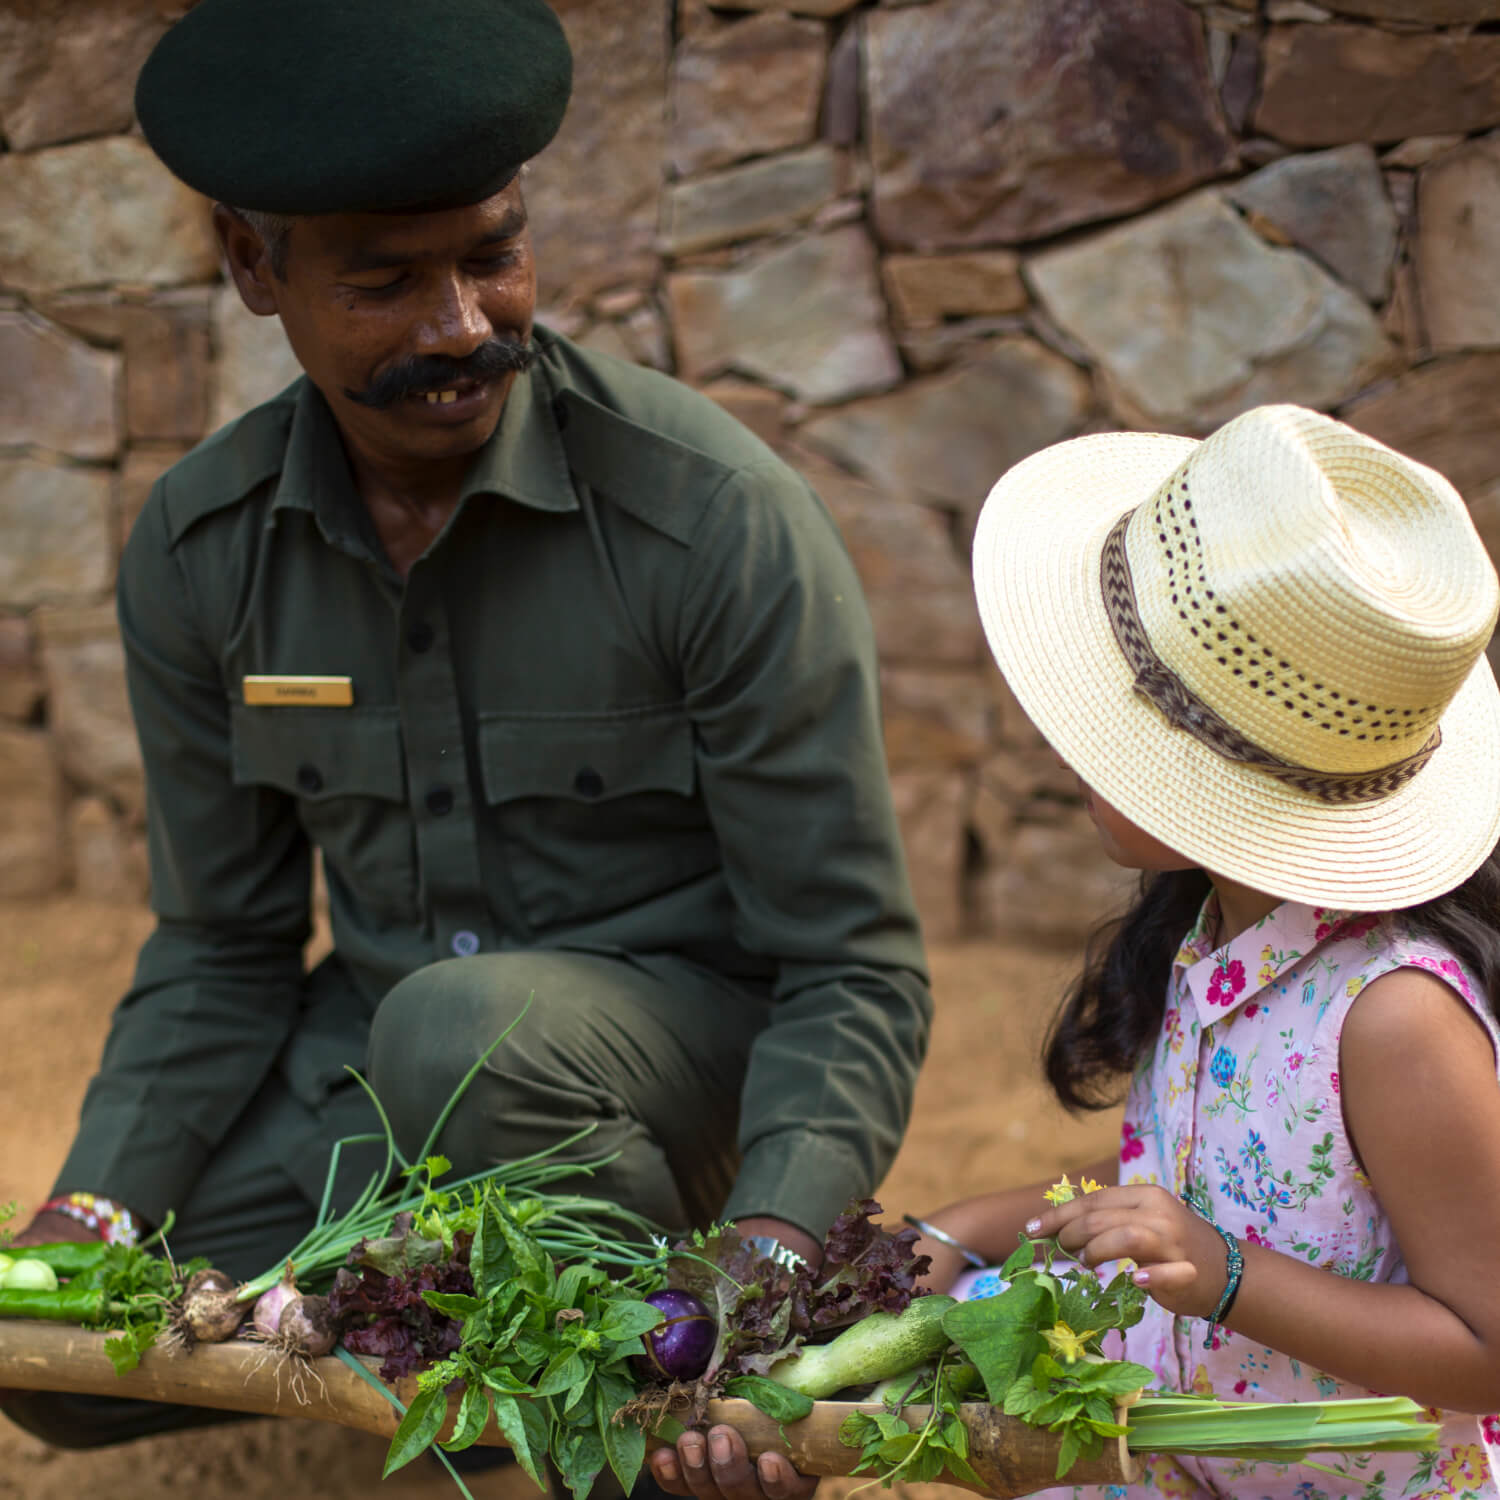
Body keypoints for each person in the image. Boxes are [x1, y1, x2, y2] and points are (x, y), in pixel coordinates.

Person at [0, 2, 931, 1494]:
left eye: (492, 254)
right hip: (384, 1087)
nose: (461, 325)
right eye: (384, 280)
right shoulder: (199, 552)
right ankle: (463, 1331)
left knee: (459, 1030)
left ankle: (611, 1385)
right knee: (73, 1356)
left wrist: (767, 1258)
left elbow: (853, 967)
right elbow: (223, 944)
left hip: (666, 1094)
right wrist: (91, 1212)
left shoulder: (712, 520)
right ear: (253, 265)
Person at [905, 404, 1500, 1500]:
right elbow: (1190, 1194)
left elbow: (1486, 1343)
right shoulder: (1212, 932)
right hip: (1182, 1461)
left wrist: (1229, 1278)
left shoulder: (1396, 1018)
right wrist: (969, 1226)